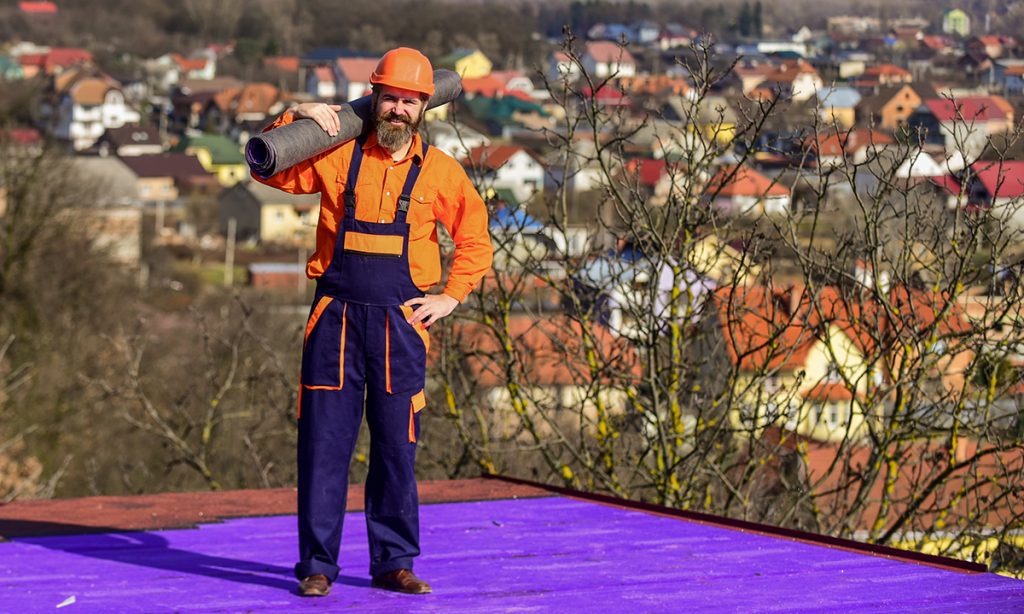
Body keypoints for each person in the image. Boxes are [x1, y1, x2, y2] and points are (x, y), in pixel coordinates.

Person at [252, 47, 493, 597]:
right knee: (323, 446)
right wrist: (298, 118)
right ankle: (316, 567)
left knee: (395, 448)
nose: (398, 111)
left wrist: (451, 296)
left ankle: (394, 562)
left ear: (424, 108)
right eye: (390, 99)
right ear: (374, 98)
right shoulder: (335, 156)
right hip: (333, 321)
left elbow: (476, 241)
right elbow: (267, 168)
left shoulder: (442, 173)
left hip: (402, 326)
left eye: (410, 102)